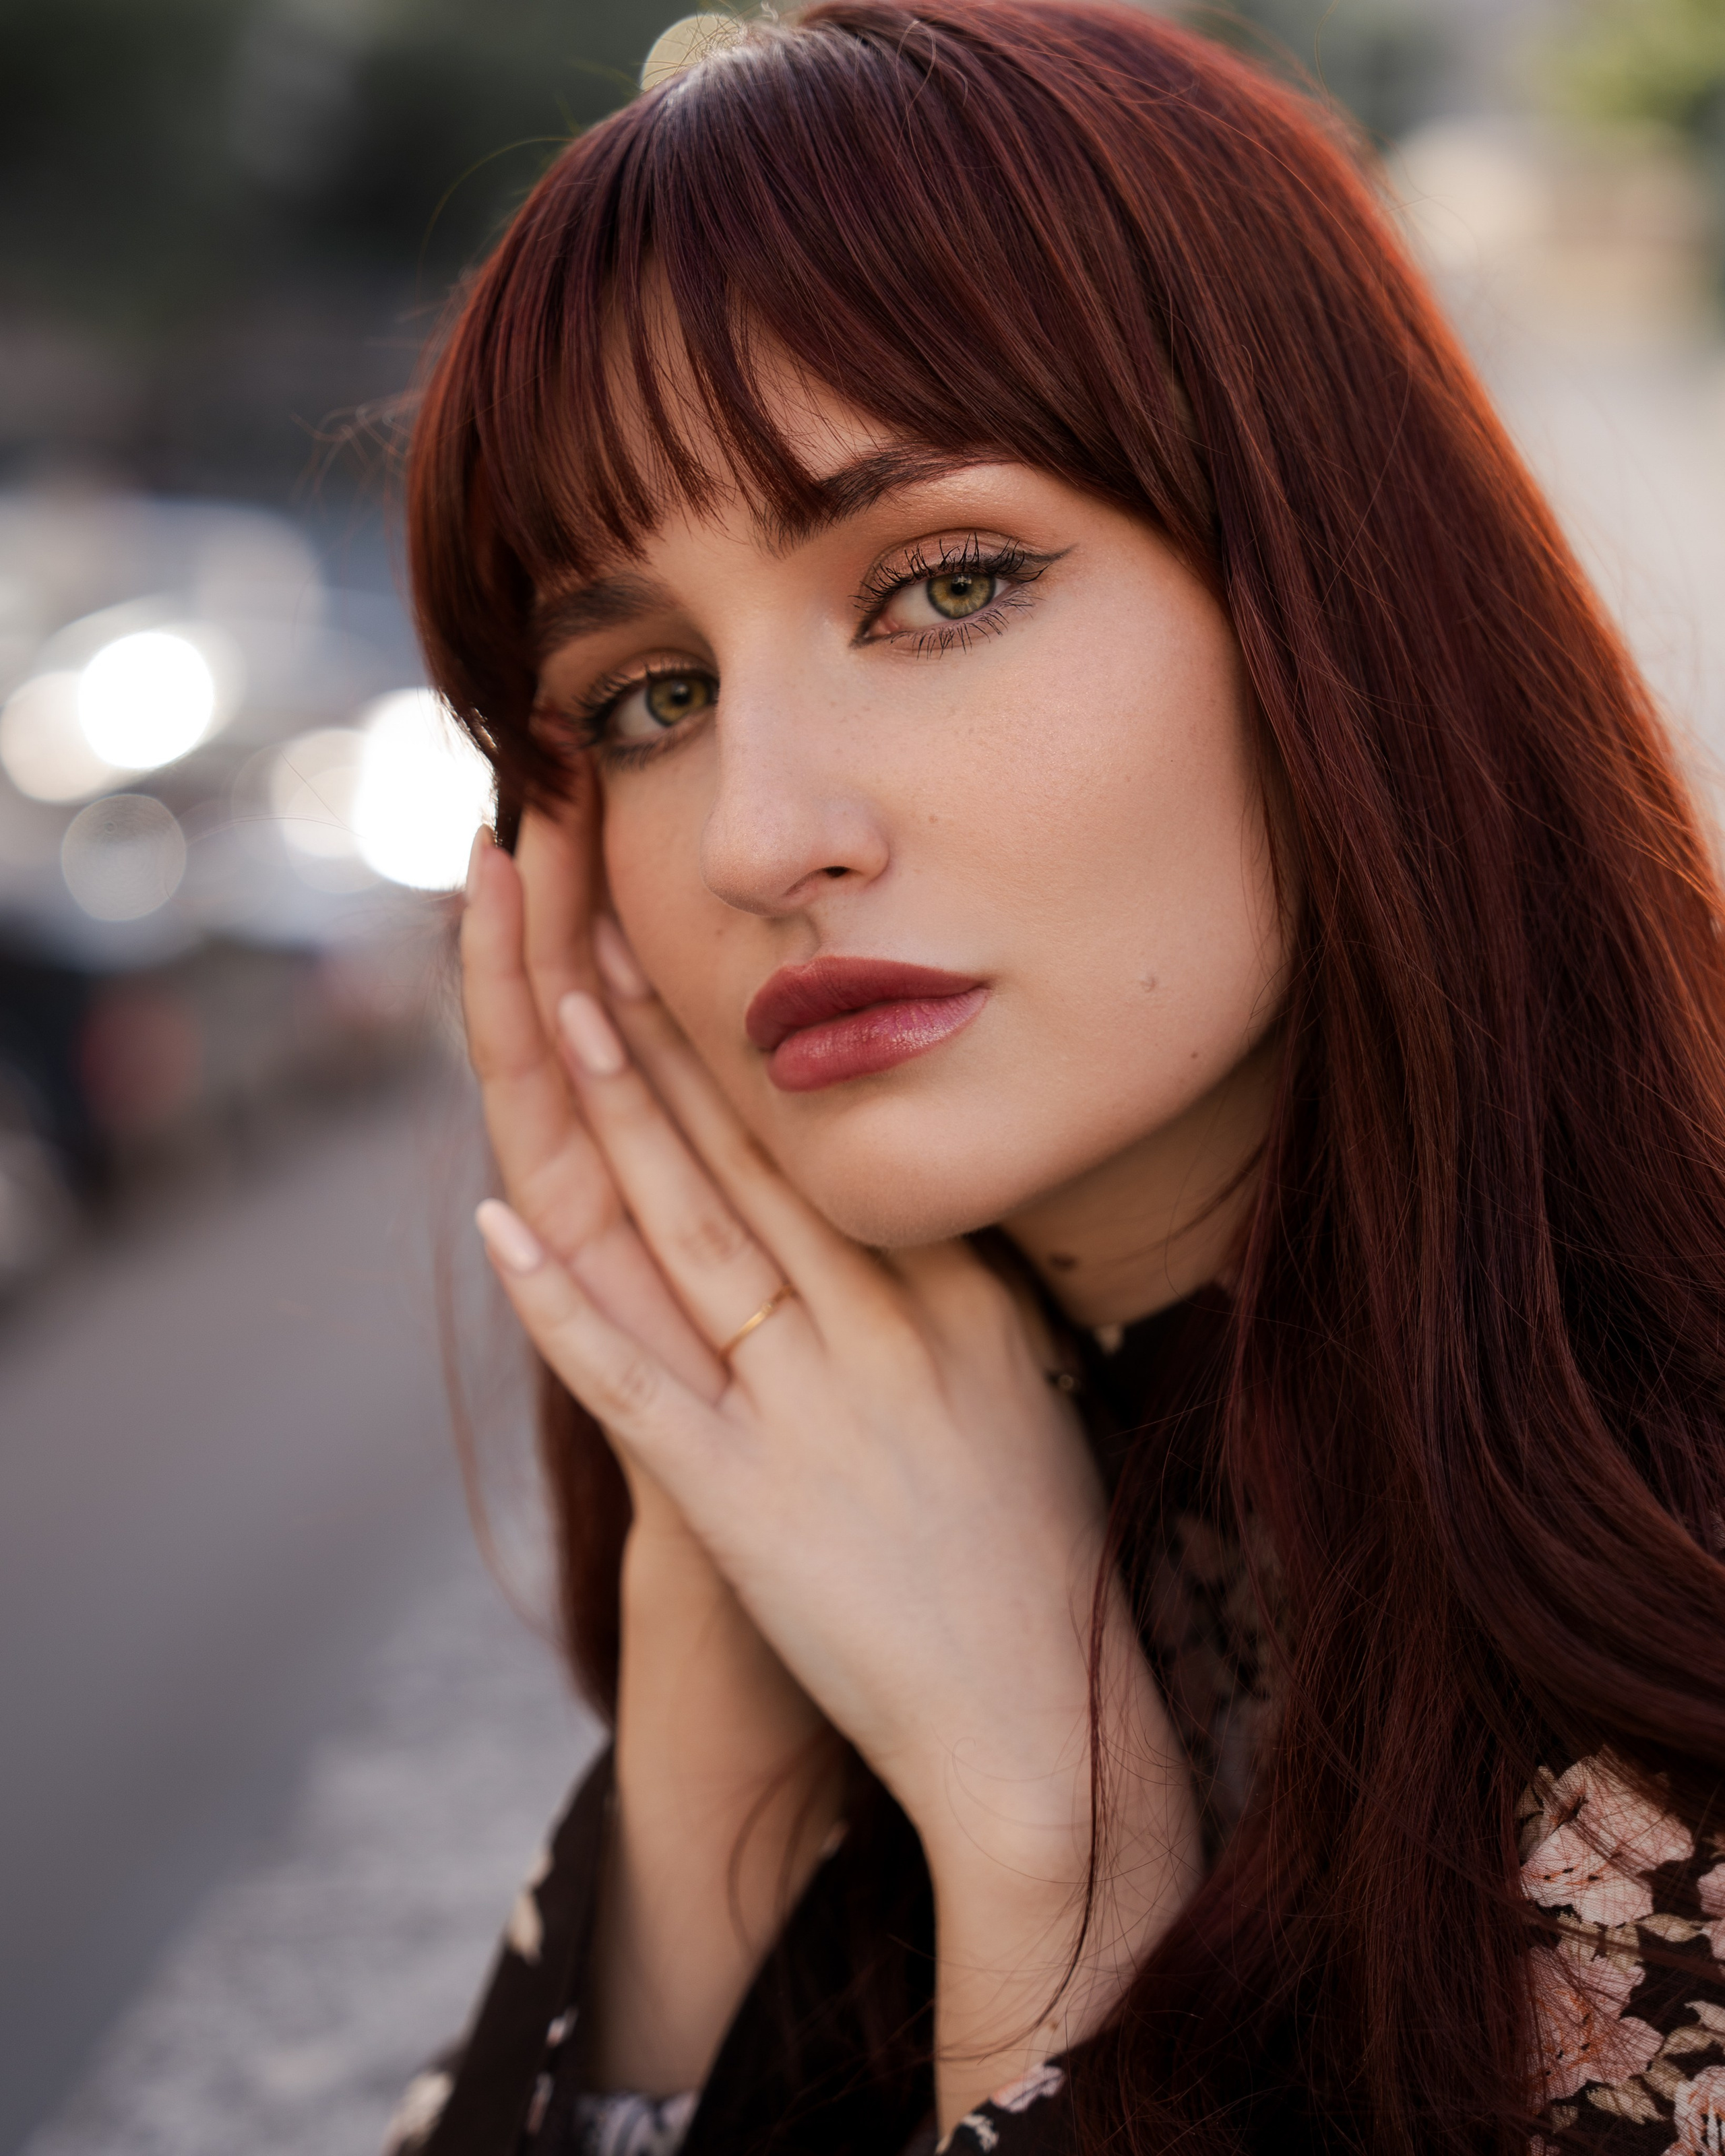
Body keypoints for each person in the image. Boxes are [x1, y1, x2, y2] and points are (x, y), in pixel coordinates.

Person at [390, 3, 1725, 2151]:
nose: (759, 833)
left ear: (1339, 597)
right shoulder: (878, 1511)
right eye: (644, 696)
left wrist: (1057, 1841)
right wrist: (709, 1726)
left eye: (943, 583)